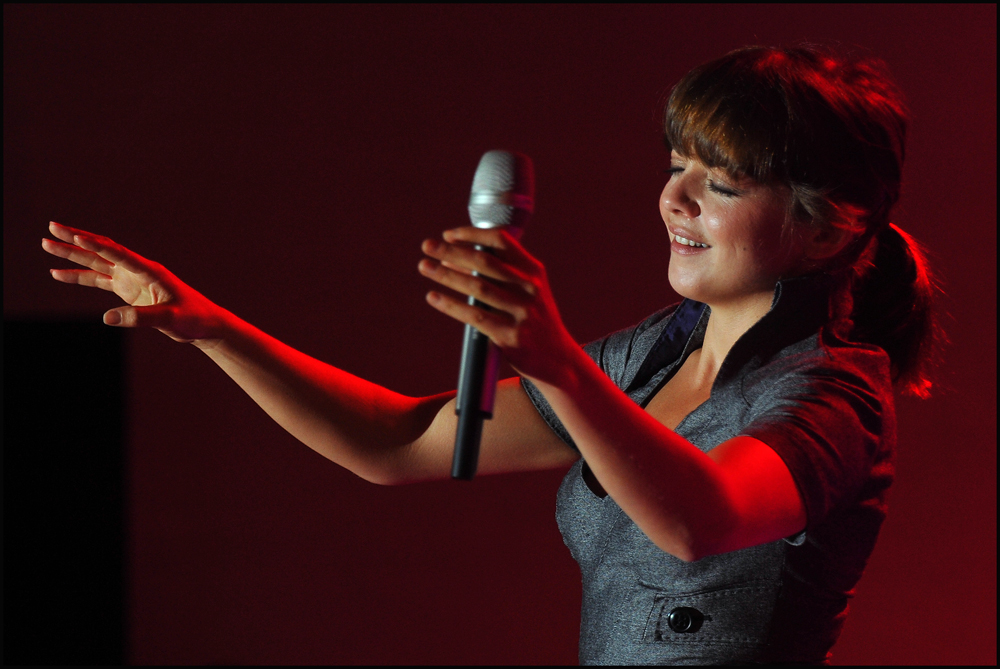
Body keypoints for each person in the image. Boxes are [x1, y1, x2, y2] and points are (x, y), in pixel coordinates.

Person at [42, 45, 940, 664]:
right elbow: (404, 443)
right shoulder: (658, 356)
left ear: (827, 228)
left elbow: (697, 519)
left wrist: (552, 356)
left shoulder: (833, 391)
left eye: (723, 183)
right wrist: (213, 328)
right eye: (676, 165)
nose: (674, 200)